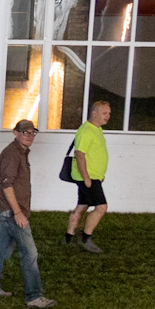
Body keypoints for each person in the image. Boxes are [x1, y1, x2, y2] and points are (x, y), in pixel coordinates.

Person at [0, 118, 55, 309]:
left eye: (32, 133)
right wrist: (18, 212)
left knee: (0, 252)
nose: (29, 136)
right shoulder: (12, 154)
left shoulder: (21, 153)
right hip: (12, 213)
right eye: (25, 132)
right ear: (16, 133)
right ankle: (34, 296)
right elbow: (6, 184)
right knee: (30, 253)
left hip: (10, 212)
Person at [66, 98, 112, 253]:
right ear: (94, 113)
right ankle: (86, 239)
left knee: (82, 206)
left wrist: (99, 174)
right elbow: (79, 155)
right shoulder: (86, 130)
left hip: (94, 176)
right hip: (88, 178)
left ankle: (68, 237)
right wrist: (86, 177)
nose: (108, 116)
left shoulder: (96, 129)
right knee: (101, 207)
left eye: (109, 113)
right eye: (104, 113)